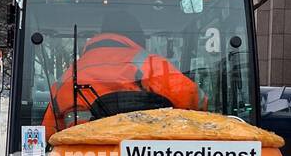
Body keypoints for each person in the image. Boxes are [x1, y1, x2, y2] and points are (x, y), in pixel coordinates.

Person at [42, 12, 205, 137]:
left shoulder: (68, 77)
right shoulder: (150, 65)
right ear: (137, 37)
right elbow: (196, 99)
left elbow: (49, 132)